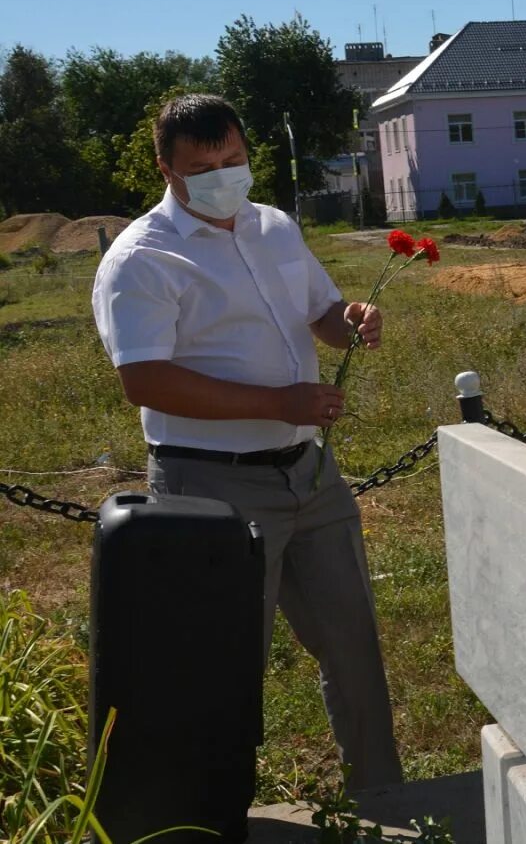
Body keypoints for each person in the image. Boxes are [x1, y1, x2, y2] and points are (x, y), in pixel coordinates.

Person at [91, 93, 403, 790]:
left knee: (353, 645)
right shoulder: (142, 259)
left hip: (310, 475)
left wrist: (348, 320)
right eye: (202, 167)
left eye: (233, 160)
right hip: (210, 487)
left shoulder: (274, 228)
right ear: (165, 167)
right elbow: (145, 380)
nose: (223, 176)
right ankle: (209, 812)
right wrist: (276, 402)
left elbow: (319, 312)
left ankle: (384, 798)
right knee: (219, 662)